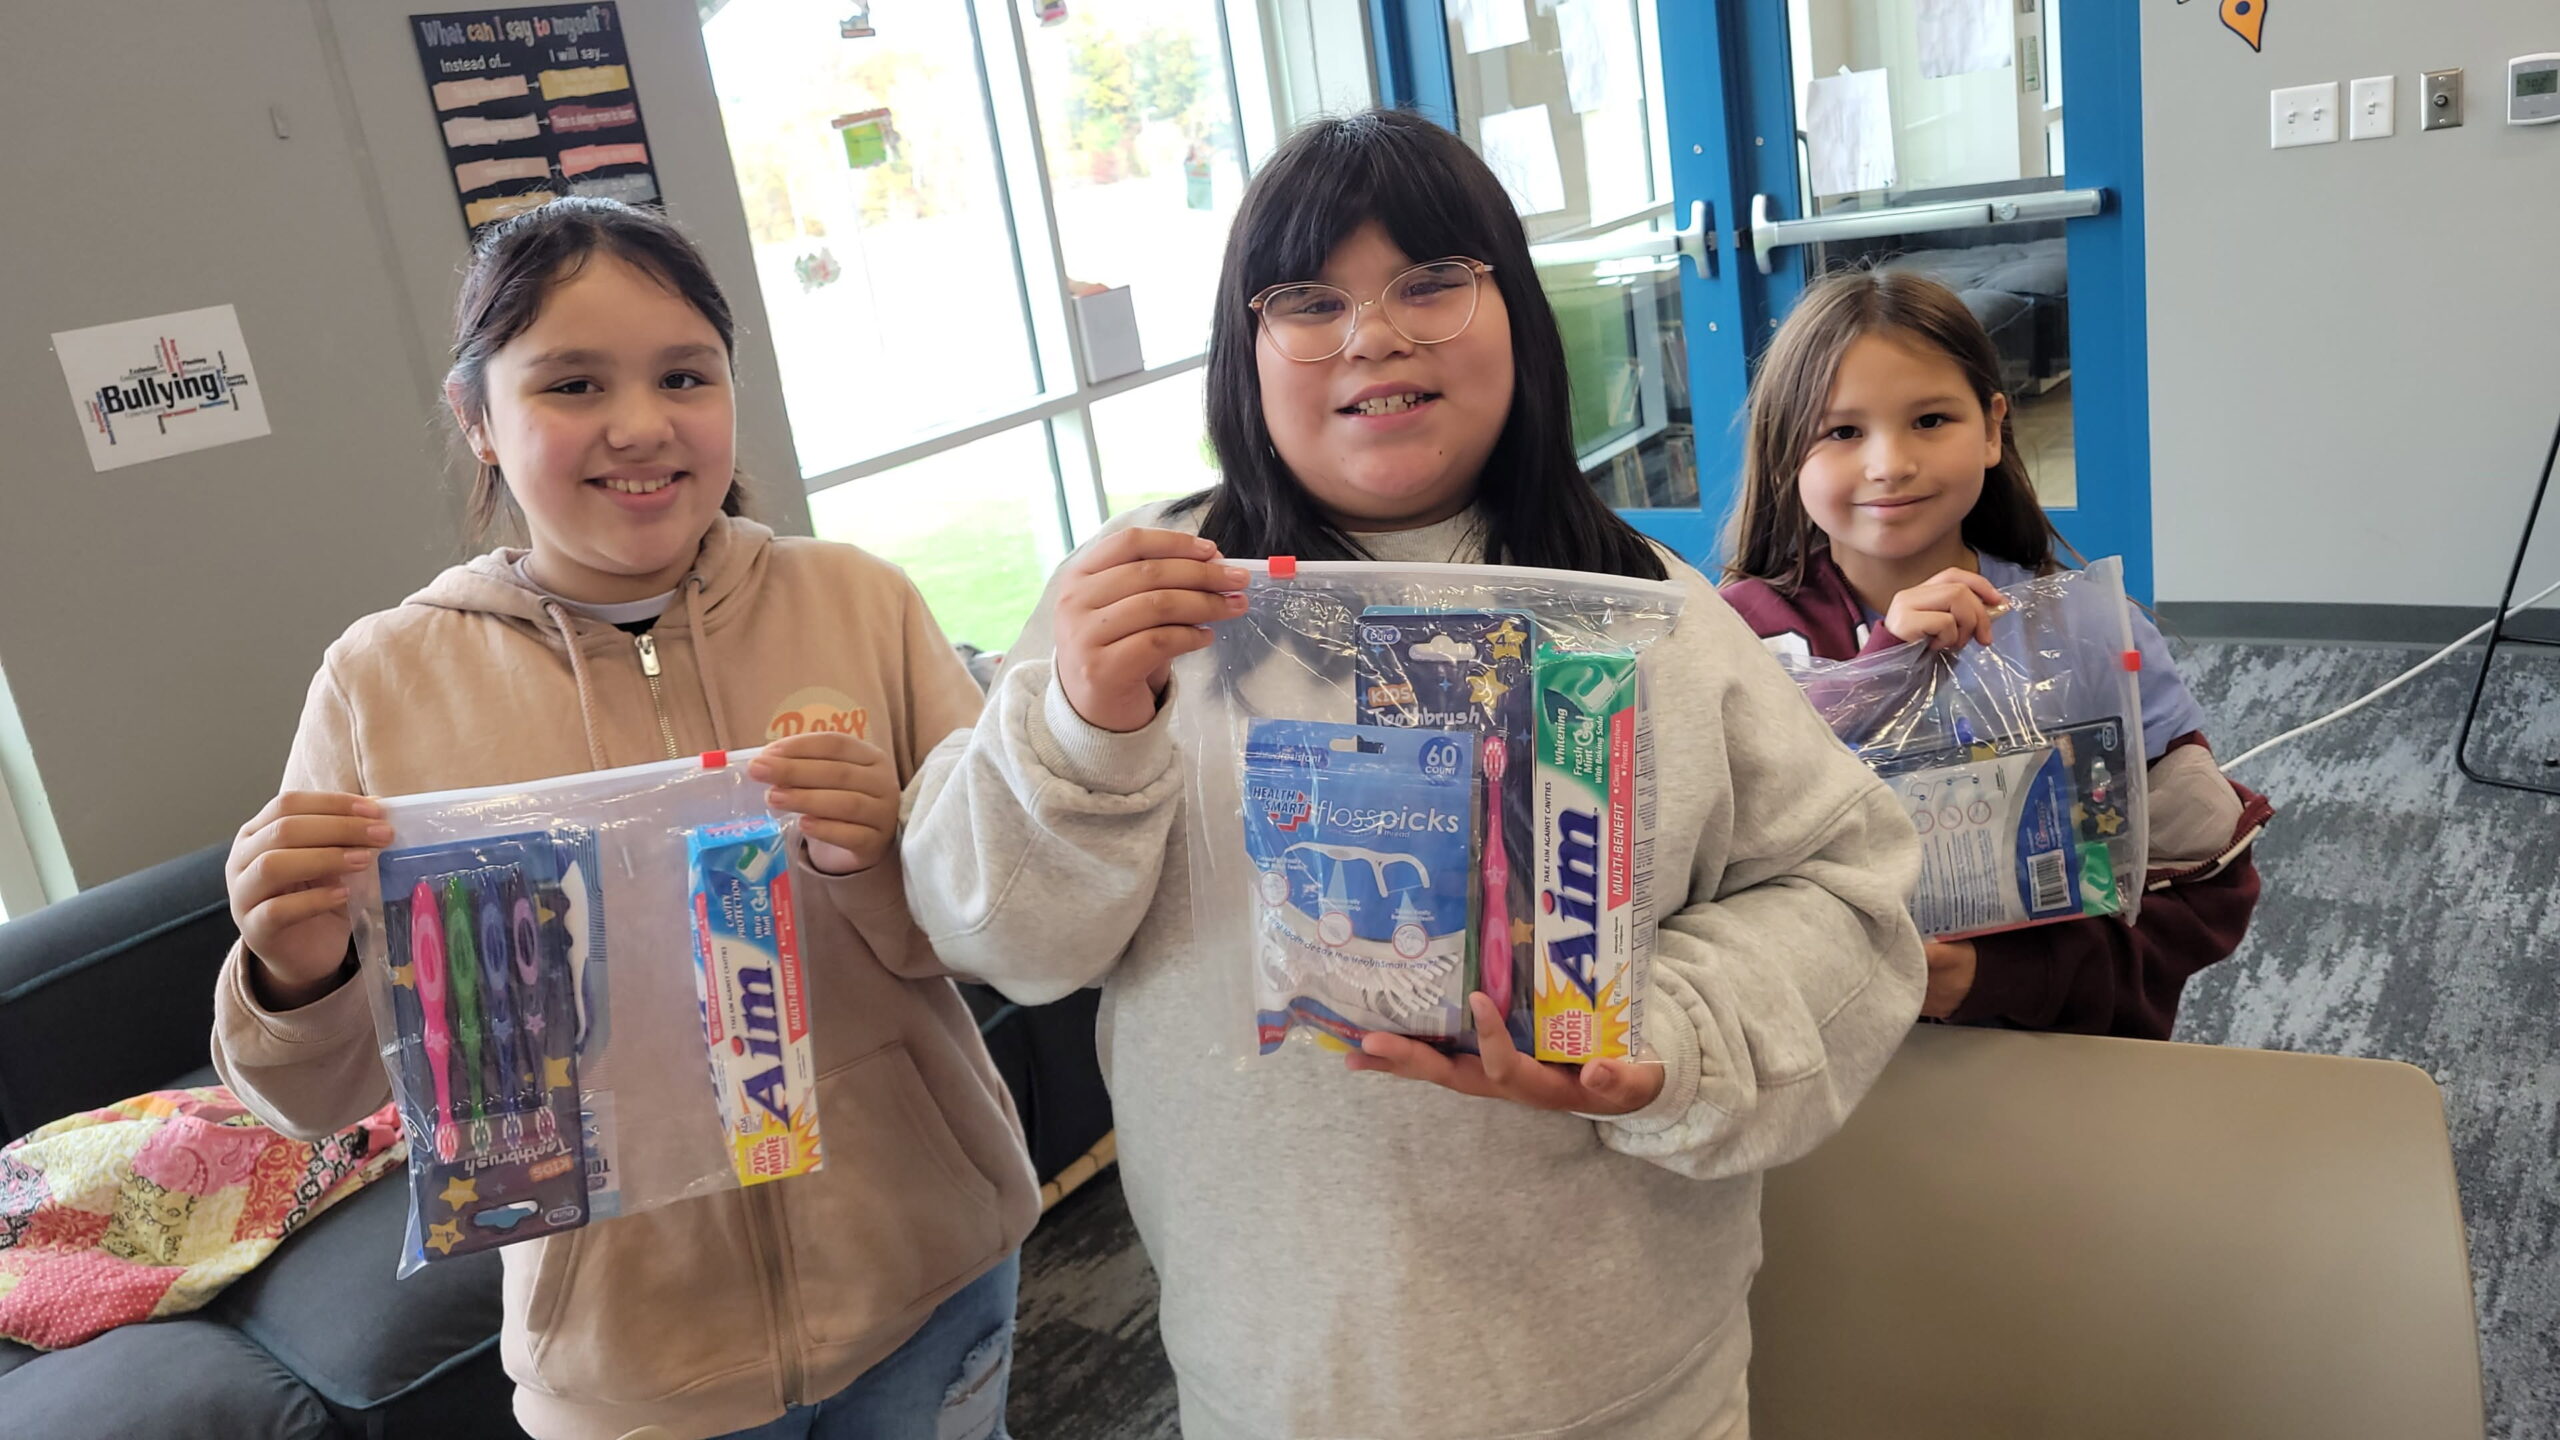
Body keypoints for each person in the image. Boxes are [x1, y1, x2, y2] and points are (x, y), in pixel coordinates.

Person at [900, 110, 1927, 1440]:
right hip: (1278, 1381)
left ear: (1518, 315)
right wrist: (1084, 726)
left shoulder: (1650, 613)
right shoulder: (1143, 605)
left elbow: (1850, 890)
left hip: (1627, 1380)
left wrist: (1662, 1034)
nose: (1372, 335)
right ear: (1243, 350)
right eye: (1309, 300)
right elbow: (998, 939)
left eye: (1431, 282)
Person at [212, 197, 1032, 1440]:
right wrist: (292, 967)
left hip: (932, 1279)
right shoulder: (382, 685)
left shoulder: (860, 603)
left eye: (684, 375)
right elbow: (315, 1104)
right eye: (573, 384)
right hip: (631, 1369)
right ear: (476, 418)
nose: (641, 425)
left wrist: (881, 858)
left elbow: (999, 935)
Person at [1720, 267, 2271, 1038]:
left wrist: (1998, 976)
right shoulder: (1737, 637)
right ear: (1785, 452)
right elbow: (1716, 859)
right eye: (1842, 432)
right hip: (1814, 1053)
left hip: (2029, 1051)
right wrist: (1884, 670)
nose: (1890, 463)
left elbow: (2201, 891)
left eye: (1930, 420)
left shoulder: (2086, 637)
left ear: (1991, 428)